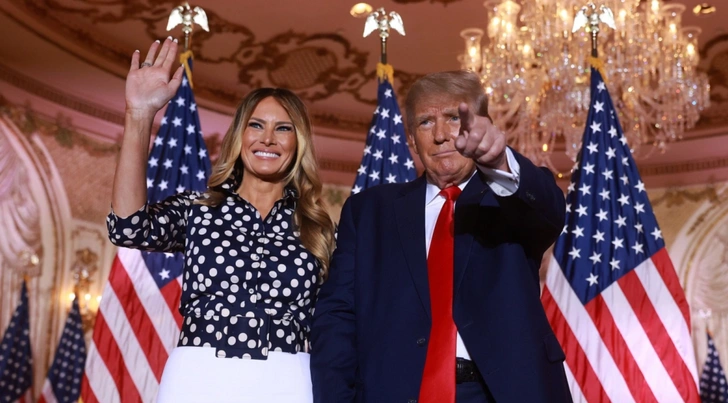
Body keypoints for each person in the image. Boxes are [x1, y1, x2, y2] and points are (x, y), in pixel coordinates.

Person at [310, 70, 572, 403]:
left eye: (453, 119)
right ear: (411, 139)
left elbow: (550, 211)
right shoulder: (369, 212)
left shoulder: (509, 196)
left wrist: (500, 161)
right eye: (425, 122)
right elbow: (337, 317)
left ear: (483, 127)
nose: (440, 135)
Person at [108, 37, 336, 403]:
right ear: (240, 135)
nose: (268, 139)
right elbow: (127, 227)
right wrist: (139, 115)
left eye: (283, 128)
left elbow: (339, 322)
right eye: (256, 125)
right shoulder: (199, 209)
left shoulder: (319, 228)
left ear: (299, 142)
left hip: (288, 379)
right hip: (199, 376)